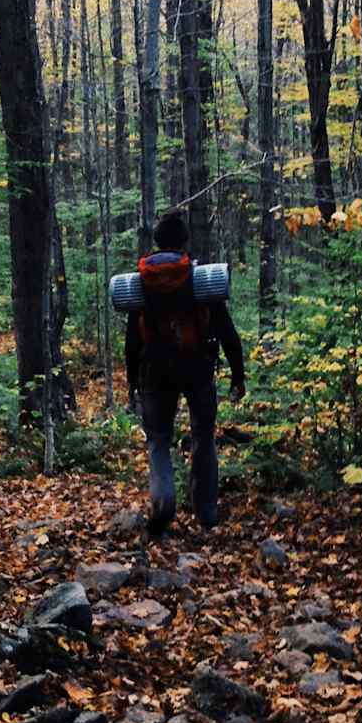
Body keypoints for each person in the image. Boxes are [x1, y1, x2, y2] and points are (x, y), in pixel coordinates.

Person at [125, 210, 245, 536]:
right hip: (198, 368)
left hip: (154, 370)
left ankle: (163, 500)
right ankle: (206, 514)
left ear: (157, 241)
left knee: (159, 440)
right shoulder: (200, 278)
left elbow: (133, 338)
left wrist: (132, 380)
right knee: (204, 437)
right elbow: (225, 329)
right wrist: (238, 374)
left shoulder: (142, 281)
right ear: (184, 241)